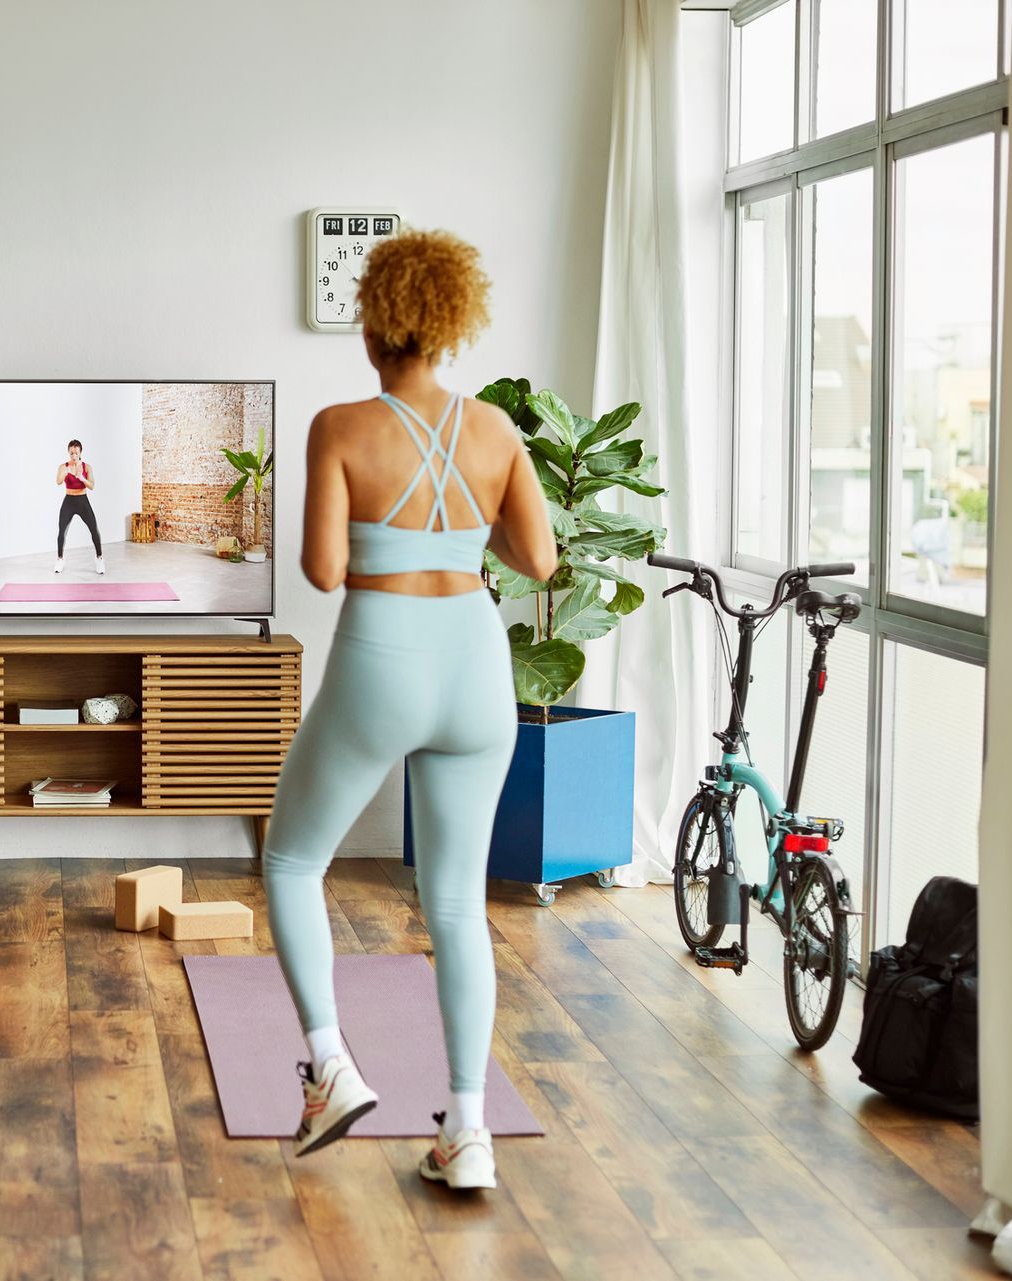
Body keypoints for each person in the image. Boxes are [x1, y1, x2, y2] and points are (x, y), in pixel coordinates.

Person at [261, 229, 558, 1190]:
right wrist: (461, 535)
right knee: (458, 903)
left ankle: (330, 1066)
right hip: (475, 661)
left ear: (375, 321)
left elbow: (323, 569)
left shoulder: (342, 426)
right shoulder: (497, 431)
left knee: (294, 857)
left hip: (381, 656)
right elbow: (540, 561)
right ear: (452, 319)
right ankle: (467, 1130)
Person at [53, 438, 104, 573]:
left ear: (80, 452)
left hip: (82, 501)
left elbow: (92, 486)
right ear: (68, 453)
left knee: (94, 529)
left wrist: (82, 478)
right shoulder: (63, 467)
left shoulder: (87, 467)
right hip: (69, 501)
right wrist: (63, 474)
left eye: (76, 453)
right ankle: (59, 559)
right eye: (71, 453)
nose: (74, 456)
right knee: (62, 530)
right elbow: (58, 481)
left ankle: (99, 559)